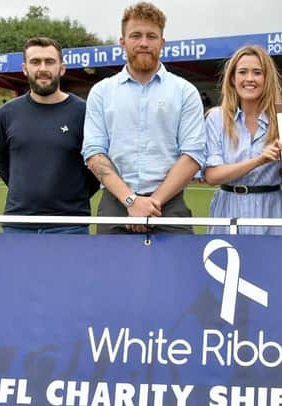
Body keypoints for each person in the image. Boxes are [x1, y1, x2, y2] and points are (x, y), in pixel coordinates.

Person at [82, 2, 205, 235]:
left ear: (162, 42)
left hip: (169, 206)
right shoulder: (101, 92)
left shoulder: (185, 91)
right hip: (115, 204)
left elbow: (193, 154)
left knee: (176, 273)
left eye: (152, 36)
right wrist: (131, 201)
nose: (144, 43)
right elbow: (94, 153)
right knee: (113, 273)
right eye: (135, 35)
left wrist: (151, 204)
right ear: (122, 41)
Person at [0, 37, 99, 234]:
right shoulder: (4, 115)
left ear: (62, 68)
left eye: (49, 62)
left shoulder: (84, 113)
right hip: (18, 224)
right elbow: (3, 164)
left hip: (70, 226)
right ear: (25, 68)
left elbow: (95, 170)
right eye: (35, 62)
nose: (42, 68)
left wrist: (71, 200)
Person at [204, 45, 282, 236]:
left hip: (272, 211)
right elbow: (212, 176)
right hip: (228, 209)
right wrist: (259, 160)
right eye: (243, 72)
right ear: (232, 79)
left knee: (274, 266)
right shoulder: (216, 118)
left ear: (267, 78)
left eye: (257, 72)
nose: (249, 79)